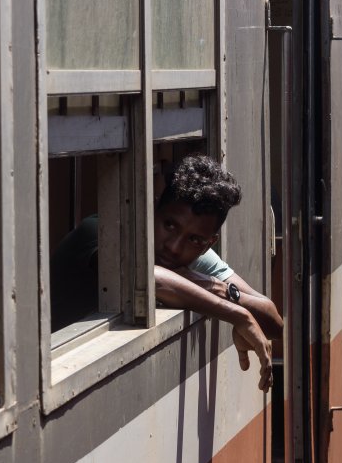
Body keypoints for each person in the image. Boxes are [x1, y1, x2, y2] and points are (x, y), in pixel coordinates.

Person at [50, 155, 283, 391]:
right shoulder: (100, 232)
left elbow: (273, 322)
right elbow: (146, 277)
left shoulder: (197, 255)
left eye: (194, 239)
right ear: (152, 211)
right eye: (169, 225)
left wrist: (224, 291)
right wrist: (238, 314)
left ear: (208, 244)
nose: (174, 246)